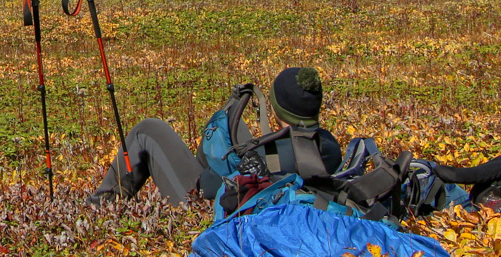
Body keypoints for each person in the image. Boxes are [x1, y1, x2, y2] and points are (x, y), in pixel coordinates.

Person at [90, 67, 344, 206]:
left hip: (206, 198)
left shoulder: (268, 154)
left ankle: (99, 207)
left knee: (148, 130)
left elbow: (211, 189)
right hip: (272, 187)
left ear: (276, 110)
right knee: (230, 127)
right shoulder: (329, 145)